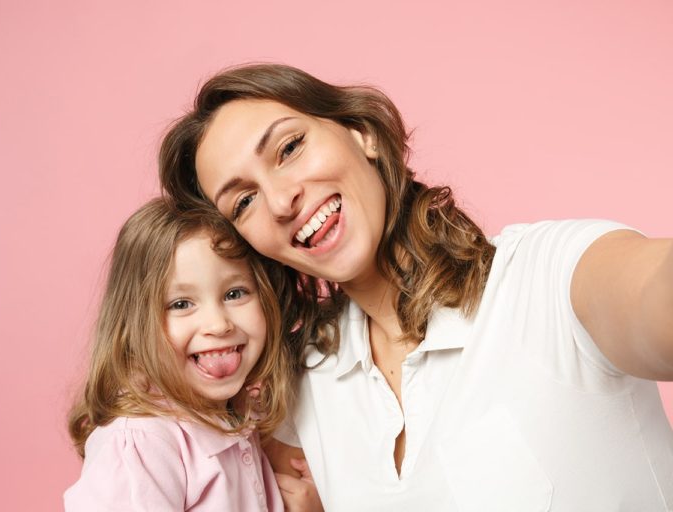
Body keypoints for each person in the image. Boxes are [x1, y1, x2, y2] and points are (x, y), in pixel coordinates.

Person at [157, 63, 673, 511]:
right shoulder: (304, 384)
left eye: (290, 148)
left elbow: (651, 288)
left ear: (364, 133)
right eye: (243, 202)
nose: (280, 200)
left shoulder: (546, 277)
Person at [64, 198, 319, 511]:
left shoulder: (238, 412)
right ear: (133, 325)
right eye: (181, 304)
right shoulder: (142, 443)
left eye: (234, 293)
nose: (218, 324)